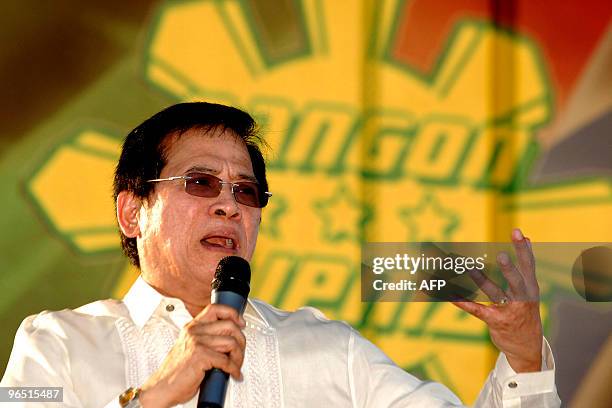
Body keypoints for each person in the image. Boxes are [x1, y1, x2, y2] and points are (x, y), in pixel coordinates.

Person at [1, 102, 560, 407]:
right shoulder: (58, 347)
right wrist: (153, 398)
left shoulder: (330, 352)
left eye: (245, 191)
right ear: (132, 211)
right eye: (200, 183)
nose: (228, 205)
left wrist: (524, 358)